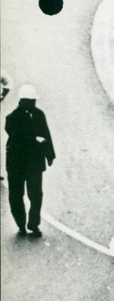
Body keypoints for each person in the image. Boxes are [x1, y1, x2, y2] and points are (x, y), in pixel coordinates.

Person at [5, 84, 55, 237]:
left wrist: (50, 154)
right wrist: (35, 140)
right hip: (16, 163)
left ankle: (33, 223)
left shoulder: (39, 114)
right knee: (16, 195)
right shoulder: (12, 118)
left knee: (36, 194)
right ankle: (21, 224)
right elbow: (17, 137)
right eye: (31, 101)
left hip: (34, 163)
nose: (34, 103)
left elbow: (46, 134)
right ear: (24, 101)